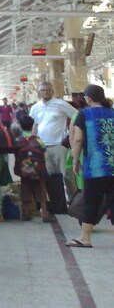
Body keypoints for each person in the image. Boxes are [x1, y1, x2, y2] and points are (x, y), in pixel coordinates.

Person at [66, 84, 114, 248]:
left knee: (91, 202)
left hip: (96, 167)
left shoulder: (84, 114)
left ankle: (85, 238)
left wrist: (75, 159)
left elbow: (78, 139)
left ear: (88, 98)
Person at [29, 82, 77, 210]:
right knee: (50, 176)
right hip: (43, 147)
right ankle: (56, 202)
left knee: (67, 175)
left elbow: (76, 116)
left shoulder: (61, 104)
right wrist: (32, 142)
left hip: (59, 146)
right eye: (43, 90)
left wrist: (70, 134)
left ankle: (73, 201)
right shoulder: (35, 107)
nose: (45, 92)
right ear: (39, 92)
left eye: (48, 90)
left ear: (52, 91)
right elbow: (35, 125)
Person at [15, 115, 54, 223]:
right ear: (32, 126)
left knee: (25, 188)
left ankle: (26, 213)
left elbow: (16, 155)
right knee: (41, 190)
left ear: (20, 126)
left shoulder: (18, 140)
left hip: (24, 171)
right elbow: (44, 151)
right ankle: (45, 214)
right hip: (38, 170)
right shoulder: (38, 140)